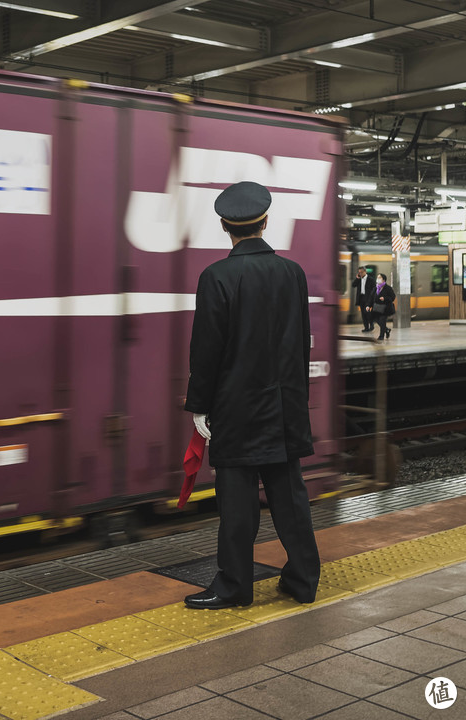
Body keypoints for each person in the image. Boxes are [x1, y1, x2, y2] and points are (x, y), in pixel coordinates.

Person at [183, 181, 321, 609]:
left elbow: (207, 350)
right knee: (290, 500)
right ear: (265, 222)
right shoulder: (292, 273)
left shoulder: (216, 277)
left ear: (225, 226)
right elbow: (301, 343)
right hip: (284, 409)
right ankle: (302, 581)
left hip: (237, 410)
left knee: (238, 508)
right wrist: (296, 400)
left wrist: (199, 406)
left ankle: (235, 586)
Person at [370, 272, 396, 341]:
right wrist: (368, 305)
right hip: (377, 308)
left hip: (385, 308)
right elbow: (371, 297)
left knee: (382, 321)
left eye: (379, 278)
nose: (378, 279)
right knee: (376, 319)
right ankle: (387, 330)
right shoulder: (375, 288)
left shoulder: (388, 288)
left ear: (383, 280)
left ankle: (381, 336)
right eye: (377, 277)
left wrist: (385, 298)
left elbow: (393, 297)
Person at [352, 267, 374, 332]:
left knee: (367, 312)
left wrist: (372, 298)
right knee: (363, 314)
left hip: (368, 298)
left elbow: (374, 289)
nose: (360, 274)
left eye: (361, 272)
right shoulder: (359, 279)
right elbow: (353, 285)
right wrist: (357, 278)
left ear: (365, 272)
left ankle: (371, 324)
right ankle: (366, 327)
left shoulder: (371, 279)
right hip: (361, 298)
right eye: (359, 272)